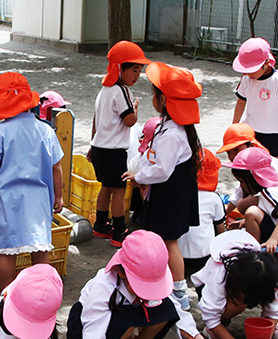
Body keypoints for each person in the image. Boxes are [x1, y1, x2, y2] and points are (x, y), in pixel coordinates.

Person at [68, 230, 204, 339]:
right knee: (127, 318)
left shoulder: (142, 281)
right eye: (143, 284)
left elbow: (175, 306)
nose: (149, 290)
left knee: (166, 307)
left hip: (125, 325)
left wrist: (192, 334)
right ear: (121, 272)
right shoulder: (103, 287)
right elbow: (93, 328)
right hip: (92, 330)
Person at [123, 61, 203, 311]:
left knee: (168, 243)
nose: (152, 98)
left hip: (168, 194)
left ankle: (179, 291)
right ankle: (166, 286)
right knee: (164, 242)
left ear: (164, 100)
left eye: (154, 94)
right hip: (171, 191)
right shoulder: (174, 128)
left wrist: (139, 177)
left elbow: (161, 170)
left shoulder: (171, 134)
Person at [0, 72, 64, 291]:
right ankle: (41, 291)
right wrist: (58, 196)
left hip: (8, 202)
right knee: (40, 247)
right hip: (40, 201)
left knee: (6, 250)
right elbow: (56, 167)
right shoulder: (45, 130)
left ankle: (5, 295)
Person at [191, 231, 278, 339]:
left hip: (244, 287)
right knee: (238, 304)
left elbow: (275, 309)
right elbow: (210, 317)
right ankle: (219, 327)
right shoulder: (220, 274)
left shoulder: (270, 273)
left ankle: (273, 328)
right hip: (210, 289)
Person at [89, 41, 150, 246]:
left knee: (105, 187)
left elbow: (96, 121)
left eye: (140, 71)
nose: (137, 76)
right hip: (114, 151)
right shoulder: (121, 91)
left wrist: (92, 145)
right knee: (119, 190)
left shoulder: (103, 91)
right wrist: (135, 108)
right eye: (134, 70)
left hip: (99, 149)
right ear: (119, 68)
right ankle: (119, 230)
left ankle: (100, 224)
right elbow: (130, 121)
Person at [219, 123, 278, 222]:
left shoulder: (264, 162)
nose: (232, 156)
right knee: (243, 204)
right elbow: (240, 192)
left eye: (237, 150)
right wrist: (223, 214)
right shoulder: (246, 164)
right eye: (229, 152)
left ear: (251, 145)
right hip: (275, 200)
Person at [226, 147, 278, 261]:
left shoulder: (269, 192)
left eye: (242, 181)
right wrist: (244, 222)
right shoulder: (275, 188)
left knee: (251, 212)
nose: (242, 186)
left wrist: (273, 239)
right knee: (252, 212)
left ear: (253, 177)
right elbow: (270, 213)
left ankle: (253, 254)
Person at [232, 38, 278, 159]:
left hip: (273, 132)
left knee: (271, 163)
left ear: (266, 64)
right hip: (250, 130)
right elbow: (241, 102)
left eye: (252, 70)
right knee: (251, 161)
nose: (249, 73)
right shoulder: (246, 79)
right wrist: (235, 124)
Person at [177, 146, 226, 282]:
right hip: (204, 259)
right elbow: (220, 231)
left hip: (177, 258)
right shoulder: (214, 199)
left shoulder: (177, 195)